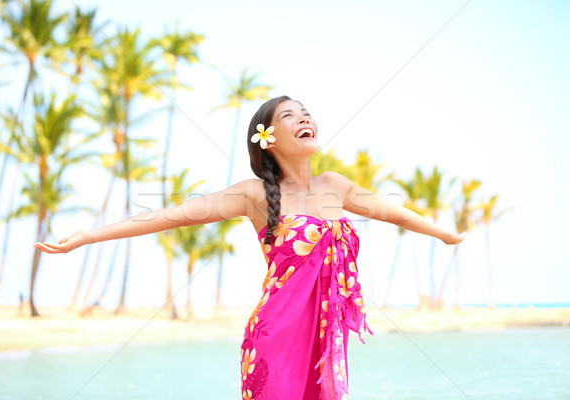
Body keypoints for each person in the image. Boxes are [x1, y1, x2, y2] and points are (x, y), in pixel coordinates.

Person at [35, 95, 465, 399]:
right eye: (289, 115)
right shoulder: (254, 194)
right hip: (274, 339)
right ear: (269, 137)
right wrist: (88, 237)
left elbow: (397, 213)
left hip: (322, 343)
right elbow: (170, 216)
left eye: (307, 113)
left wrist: (444, 234)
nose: (304, 118)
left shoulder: (336, 185)